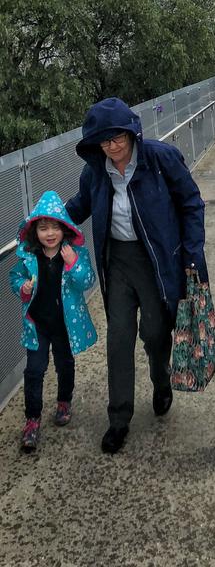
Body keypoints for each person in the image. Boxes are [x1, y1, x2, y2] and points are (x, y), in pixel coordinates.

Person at [66, 96, 208, 454]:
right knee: (119, 339)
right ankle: (119, 419)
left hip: (157, 259)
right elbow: (79, 206)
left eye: (118, 138)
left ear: (131, 134)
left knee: (156, 332)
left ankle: (161, 381)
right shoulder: (96, 170)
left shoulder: (160, 159)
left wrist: (192, 253)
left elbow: (191, 202)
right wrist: (45, 221)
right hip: (118, 262)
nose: (113, 147)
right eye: (104, 140)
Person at [9, 191, 97, 453]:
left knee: (65, 364)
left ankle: (63, 401)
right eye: (43, 228)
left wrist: (73, 265)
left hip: (64, 326)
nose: (49, 233)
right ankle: (32, 420)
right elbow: (14, 279)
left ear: (65, 229)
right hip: (37, 325)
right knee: (34, 371)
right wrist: (22, 287)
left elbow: (88, 281)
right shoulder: (28, 258)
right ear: (34, 231)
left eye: (55, 227)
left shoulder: (74, 253)